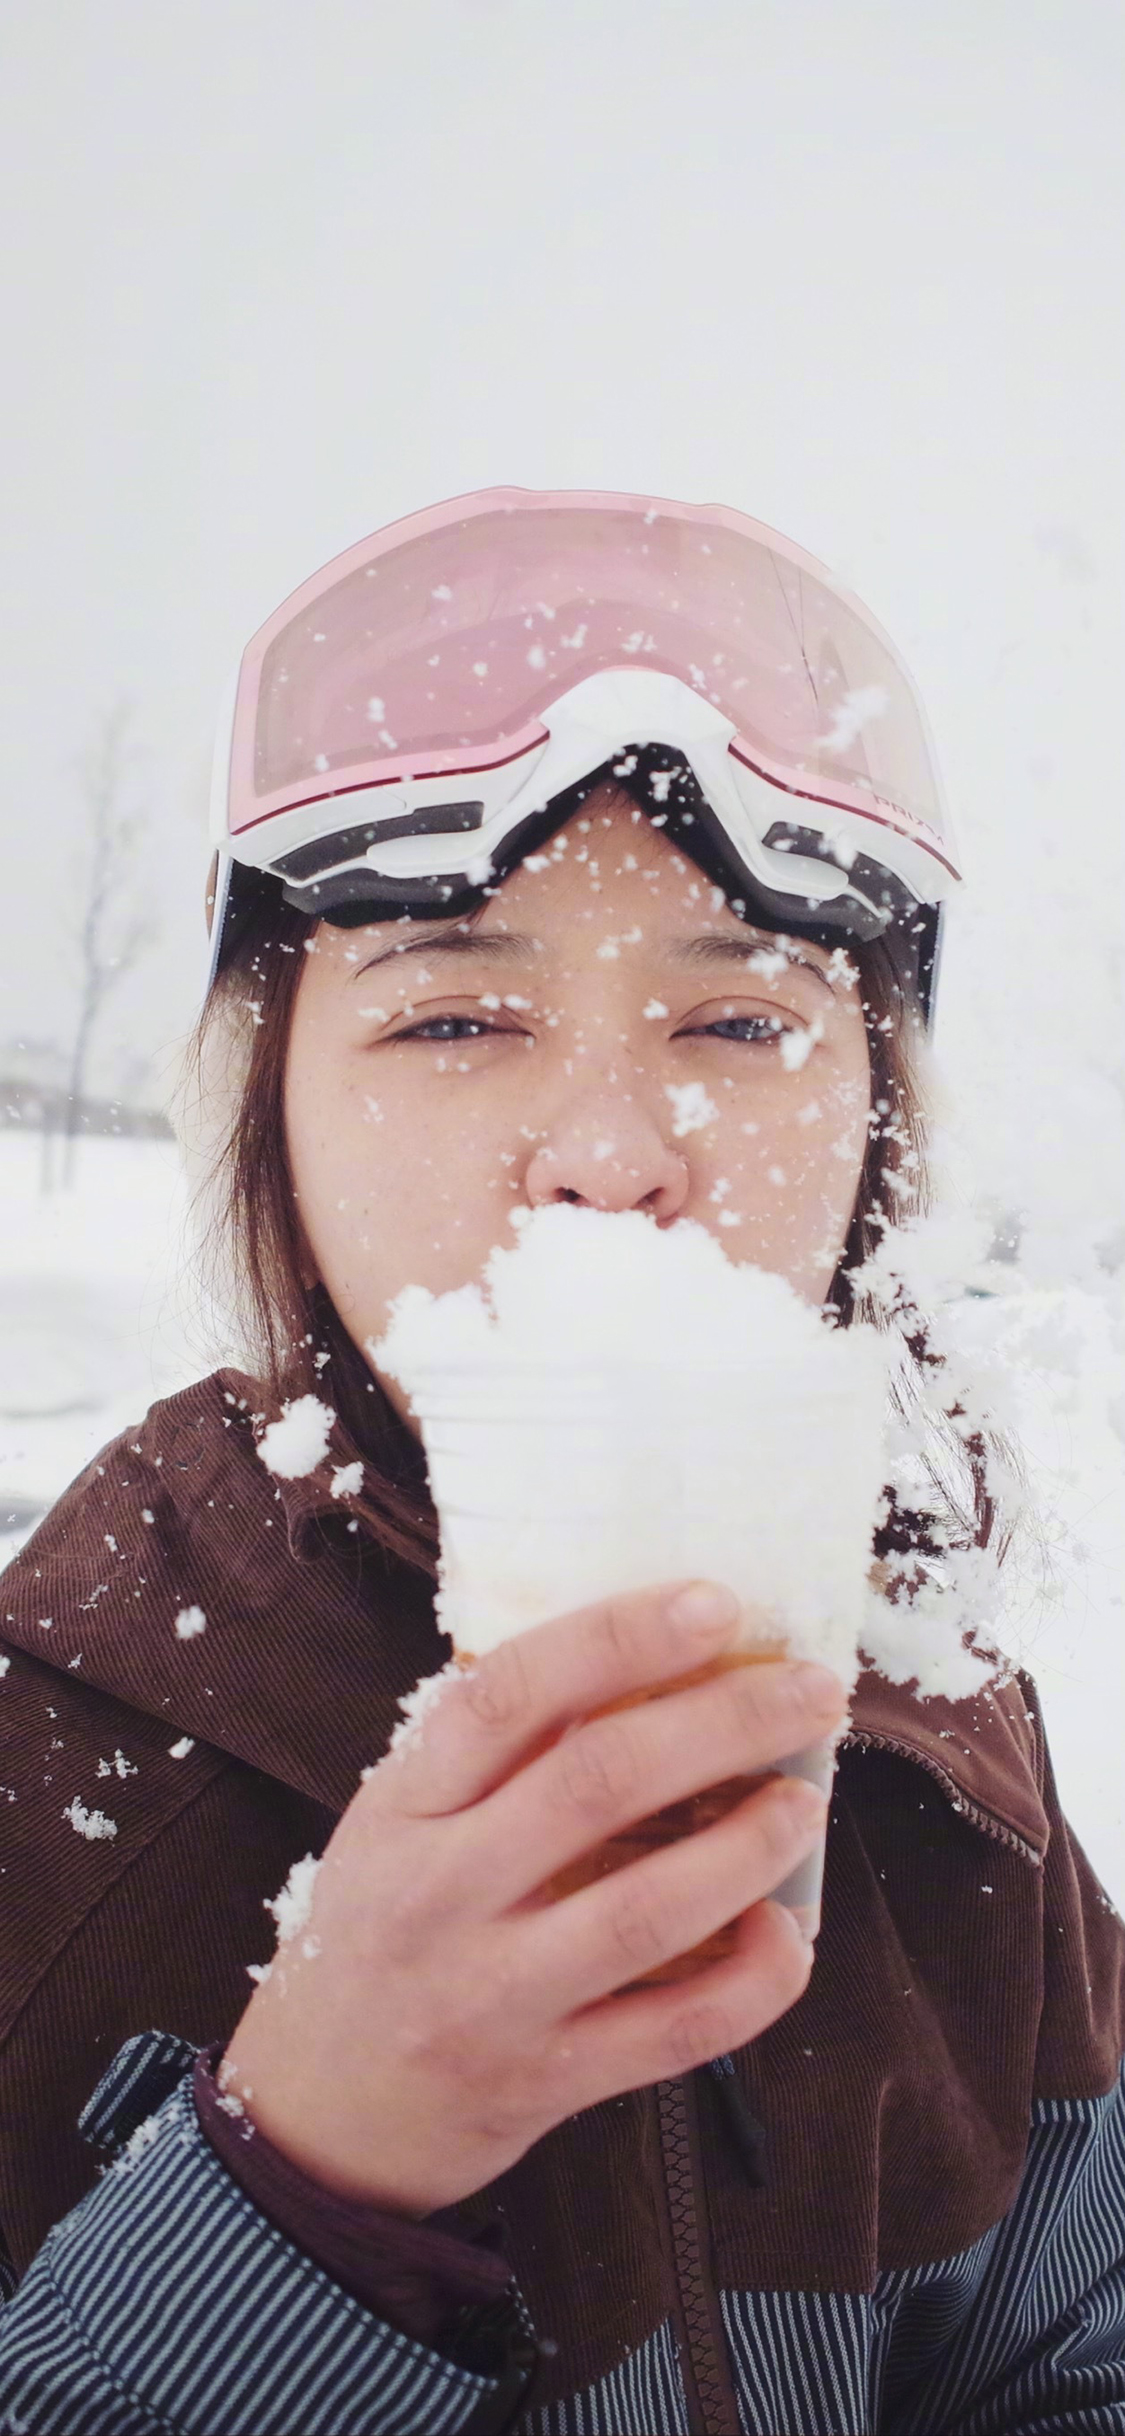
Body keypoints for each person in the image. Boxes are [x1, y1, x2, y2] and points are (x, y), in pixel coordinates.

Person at [0, 488, 1122, 2436]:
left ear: (880, 1130)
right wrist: (295, 2201)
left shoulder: (952, 1757)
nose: (612, 1150)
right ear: (264, 1123)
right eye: (452, 1013)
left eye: (737, 1017)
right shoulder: (43, 1775)